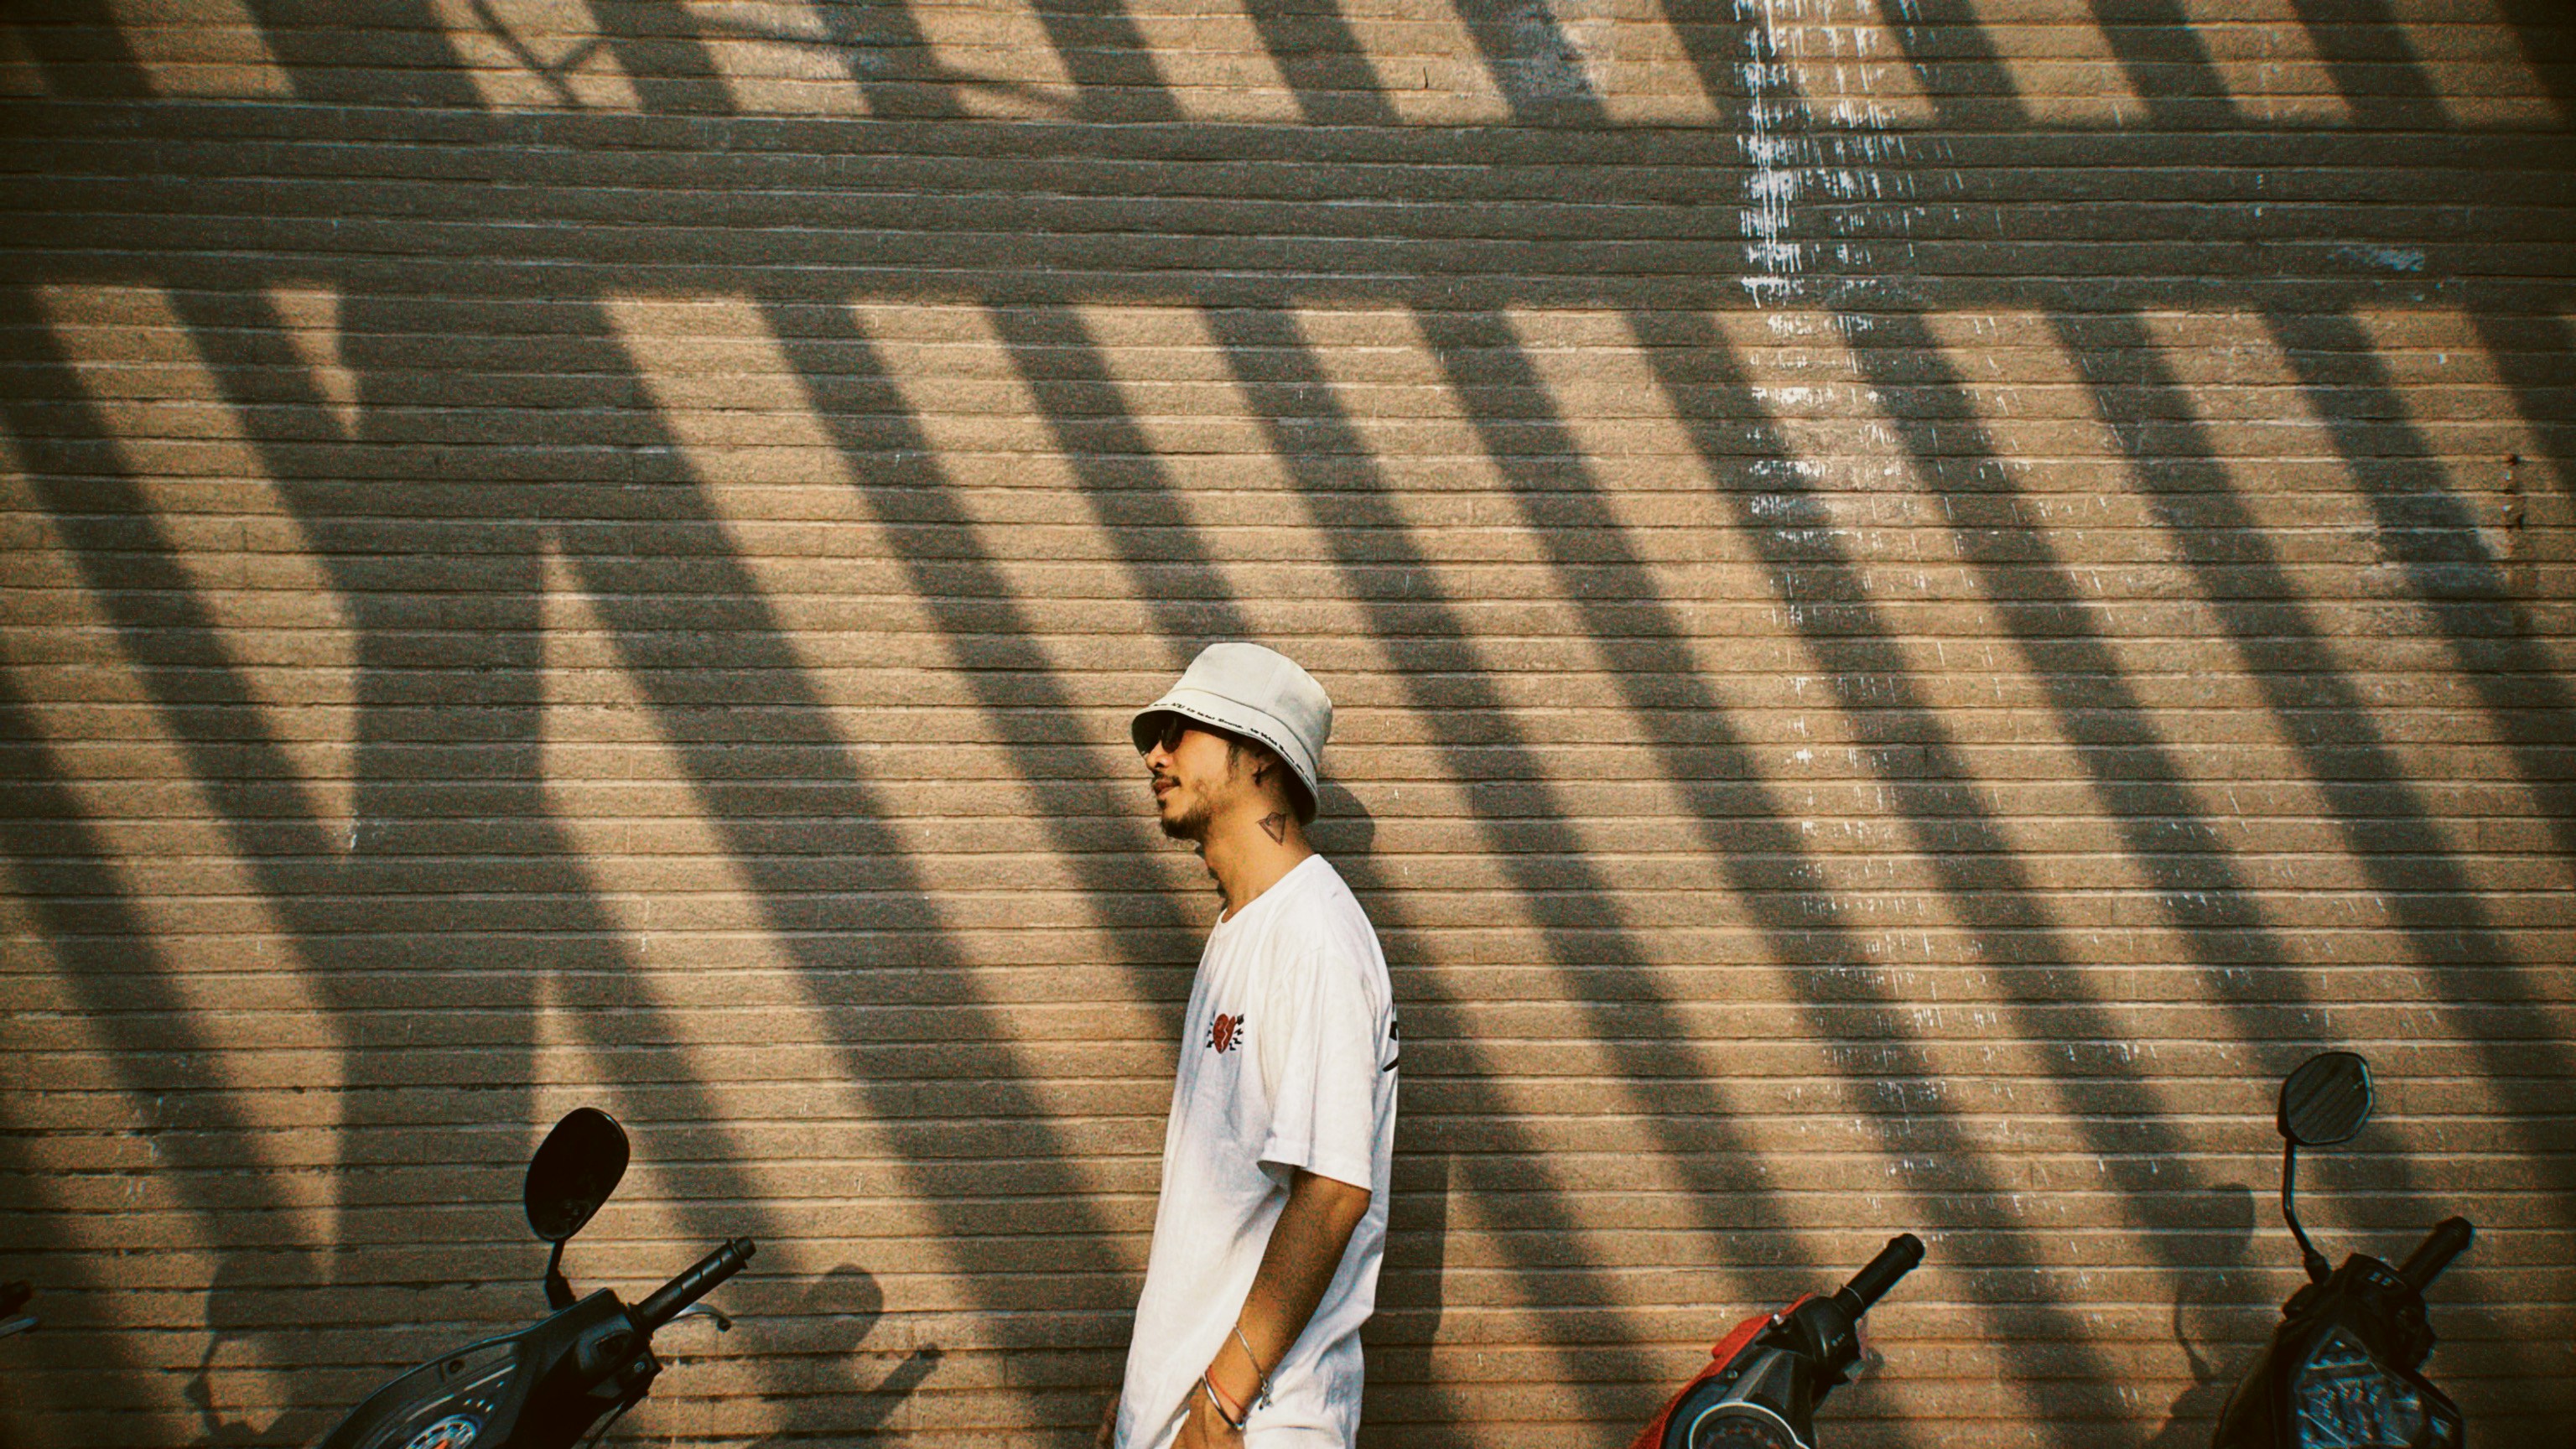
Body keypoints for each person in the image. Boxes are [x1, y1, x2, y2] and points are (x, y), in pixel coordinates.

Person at [1103, 643, 1400, 1449]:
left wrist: (1223, 1399)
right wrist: (1144, 1392)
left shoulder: (1315, 936)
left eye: (1182, 731)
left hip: (1261, 1423)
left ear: (1261, 753)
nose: (1154, 754)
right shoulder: (1243, 928)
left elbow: (1335, 1189)